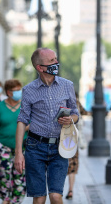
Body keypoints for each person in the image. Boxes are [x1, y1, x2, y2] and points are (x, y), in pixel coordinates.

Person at [14, 48, 79, 204]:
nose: (56, 63)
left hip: (60, 147)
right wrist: (18, 153)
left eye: (55, 59)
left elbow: (76, 113)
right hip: (35, 147)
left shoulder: (67, 85)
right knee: (40, 197)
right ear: (39, 67)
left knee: (56, 196)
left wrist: (70, 119)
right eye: (51, 61)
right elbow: (22, 120)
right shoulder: (29, 90)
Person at [0, 79, 28, 204]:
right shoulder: (0, 106)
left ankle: (16, 200)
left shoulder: (25, 105)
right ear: (9, 92)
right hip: (3, 145)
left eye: (20, 90)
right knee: (4, 174)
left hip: (22, 146)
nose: (19, 92)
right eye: (16, 90)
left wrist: (28, 126)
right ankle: (6, 198)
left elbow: (34, 123)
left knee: (20, 174)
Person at [65, 92, 88, 200]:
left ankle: (63, 191)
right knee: (72, 166)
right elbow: (85, 112)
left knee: (65, 165)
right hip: (72, 139)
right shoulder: (76, 103)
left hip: (65, 139)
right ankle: (70, 190)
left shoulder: (63, 102)